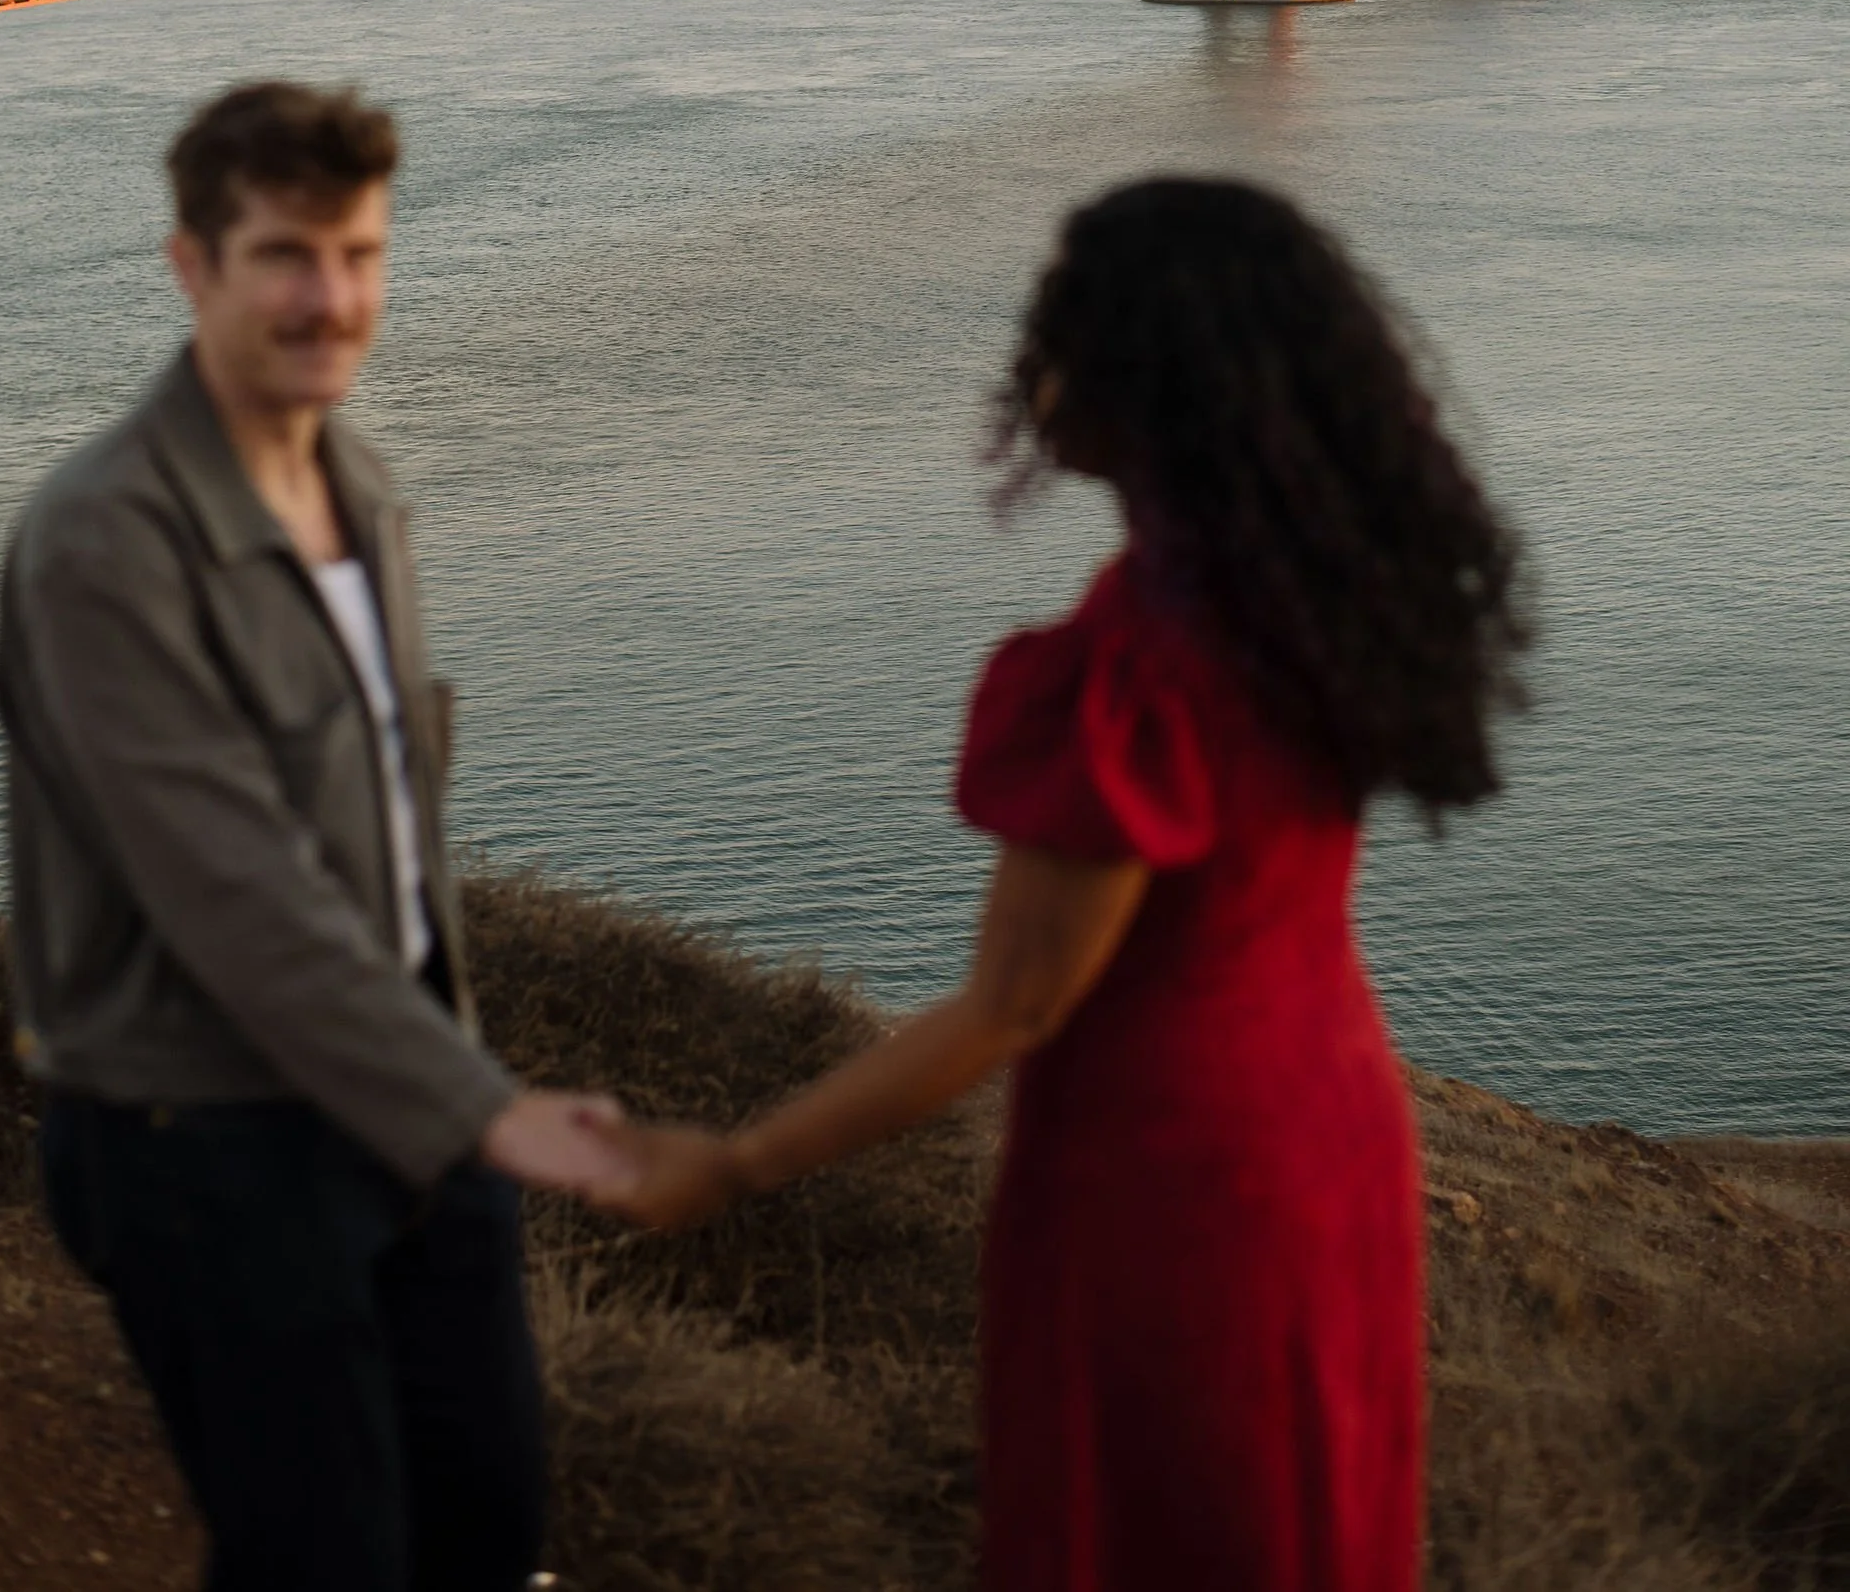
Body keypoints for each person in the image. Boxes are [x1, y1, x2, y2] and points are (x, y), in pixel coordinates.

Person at [611, 177, 1528, 1592]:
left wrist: (736, 1160)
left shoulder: (1147, 659)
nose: (1028, 367)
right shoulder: (1311, 591)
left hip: (1175, 1174)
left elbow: (1014, 1005)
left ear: (1136, 378)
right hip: (1330, 1122)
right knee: (1302, 1516)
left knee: (1156, 1525)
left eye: (1057, 329)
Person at [0, 79, 632, 1592]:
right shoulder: (106, 538)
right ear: (190, 267)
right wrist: (489, 1107)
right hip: (204, 1135)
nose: (329, 298)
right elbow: (234, 888)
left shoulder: (362, 484)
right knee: (321, 1559)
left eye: (359, 254)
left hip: (401, 1100)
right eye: (284, 254)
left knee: (487, 1527)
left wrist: (447, 1092)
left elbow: (391, 852)